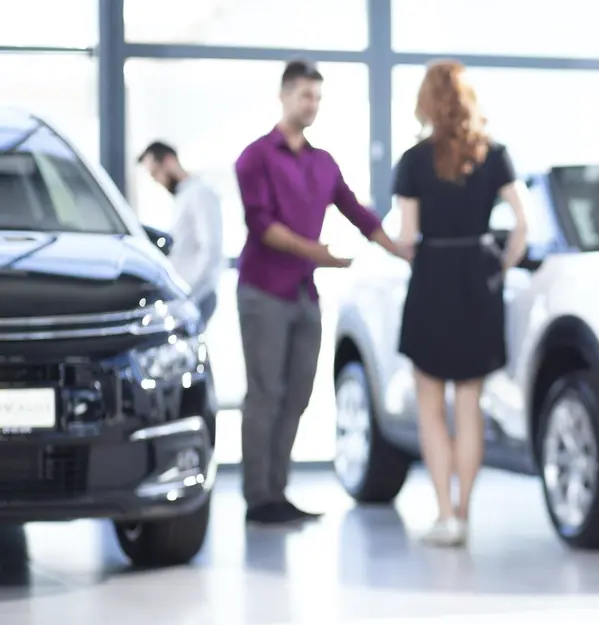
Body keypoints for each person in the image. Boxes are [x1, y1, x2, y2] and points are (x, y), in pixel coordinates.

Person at [234, 59, 410, 526]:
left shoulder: (323, 162)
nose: (311, 105)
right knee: (265, 395)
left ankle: (278, 491)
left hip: (303, 294)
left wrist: (400, 249)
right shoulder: (255, 157)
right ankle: (258, 498)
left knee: (298, 394)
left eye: (316, 97)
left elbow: (358, 213)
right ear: (284, 96)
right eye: (304, 96)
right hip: (263, 291)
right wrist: (321, 254)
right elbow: (262, 225)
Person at [394, 60, 529, 547]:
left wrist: (390, 245)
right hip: (477, 279)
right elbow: (523, 223)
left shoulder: (413, 161)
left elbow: (407, 236)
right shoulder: (494, 154)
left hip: (432, 277)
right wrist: (501, 266)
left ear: (426, 102)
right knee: (469, 403)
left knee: (431, 407)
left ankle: (445, 515)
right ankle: (465, 515)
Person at [137, 141, 224, 326]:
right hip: (187, 295)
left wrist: (188, 294)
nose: (157, 180)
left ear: (169, 161)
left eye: (156, 173)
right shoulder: (183, 197)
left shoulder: (200, 193)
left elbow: (212, 248)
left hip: (196, 295)